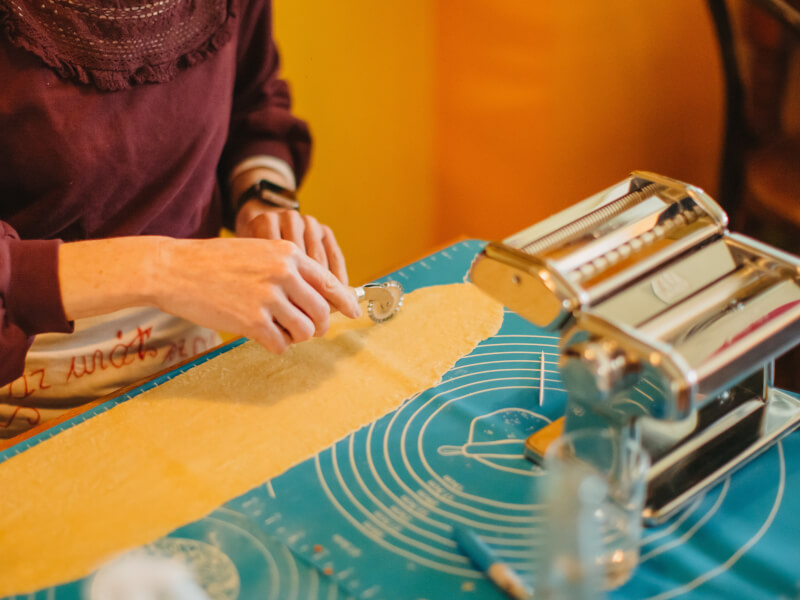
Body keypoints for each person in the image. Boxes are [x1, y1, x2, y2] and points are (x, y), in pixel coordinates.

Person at [0, 0, 361, 437]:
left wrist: (264, 201)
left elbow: (252, 102)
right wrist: (163, 270)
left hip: (192, 372)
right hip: (23, 406)